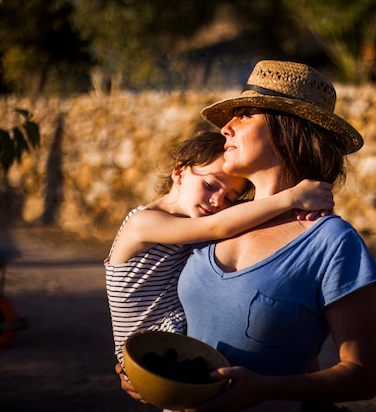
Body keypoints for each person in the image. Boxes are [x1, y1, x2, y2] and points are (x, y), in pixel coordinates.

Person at [174, 60, 376, 412]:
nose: (226, 127)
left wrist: (266, 389)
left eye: (244, 115)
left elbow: (363, 377)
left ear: (285, 129)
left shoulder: (331, 243)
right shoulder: (212, 221)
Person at [105, 130, 334, 376]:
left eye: (229, 198)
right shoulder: (143, 222)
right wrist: (292, 198)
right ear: (180, 172)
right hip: (150, 351)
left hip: (175, 341)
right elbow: (220, 225)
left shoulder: (193, 224)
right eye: (210, 185)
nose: (217, 201)